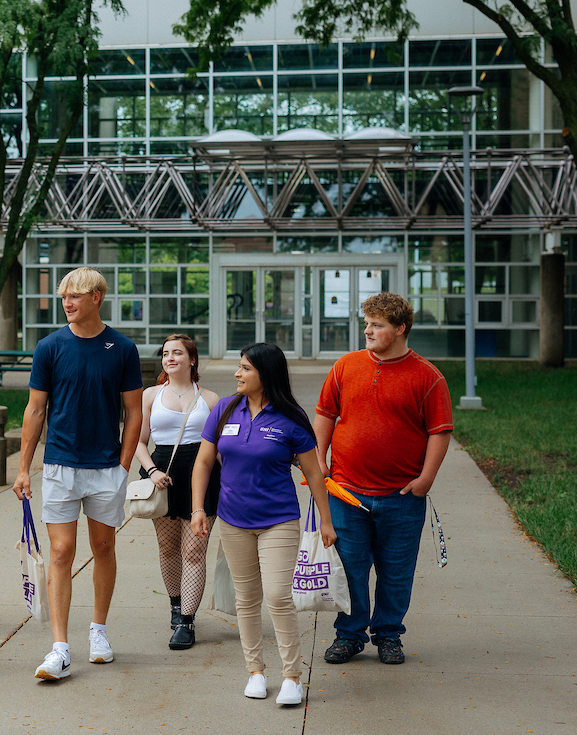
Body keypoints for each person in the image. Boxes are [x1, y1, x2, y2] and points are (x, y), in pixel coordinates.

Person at [12, 266, 143, 682]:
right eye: (64, 297)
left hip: (106, 468)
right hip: (60, 467)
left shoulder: (121, 348)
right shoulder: (50, 346)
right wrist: (23, 469)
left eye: (75, 296)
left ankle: (99, 632)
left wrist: (124, 466)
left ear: (96, 298)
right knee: (61, 552)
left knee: (103, 548)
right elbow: (35, 411)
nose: (66, 303)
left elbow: (134, 412)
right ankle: (60, 648)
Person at [190, 342, 335, 707]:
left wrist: (327, 522)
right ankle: (255, 671)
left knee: (277, 596)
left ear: (265, 374)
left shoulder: (291, 419)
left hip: (278, 520)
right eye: (239, 367)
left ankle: (292, 677)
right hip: (234, 520)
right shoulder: (224, 409)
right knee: (247, 598)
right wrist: (198, 509)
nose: (237, 374)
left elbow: (315, 474)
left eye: (245, 368)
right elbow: (204, 462)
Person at [314, 292, 453, 666]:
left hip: (402, 497)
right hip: (346, 491)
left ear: (400, 329)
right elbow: (325, 413)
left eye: (377, 325)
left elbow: (440, 431)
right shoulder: (346, 366)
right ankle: (350, 635)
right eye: (367, 323)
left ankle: (389, 635)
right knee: (351, 568)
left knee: (396, 573)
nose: (368, 330)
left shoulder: (427, 376)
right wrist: (319, 460)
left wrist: (426, 479)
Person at [133, 334, 220, 650]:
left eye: (177, 353)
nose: (170, 358)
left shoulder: (210, 399)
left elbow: (220, 448)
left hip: (203, 476)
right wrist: (152, 471)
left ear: (192, 359)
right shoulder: (151, 395)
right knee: (168, 548)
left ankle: (186, 621)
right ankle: (175, 605)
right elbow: (139, 441)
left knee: (194, 550)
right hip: (163, 475)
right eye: (166, 353)